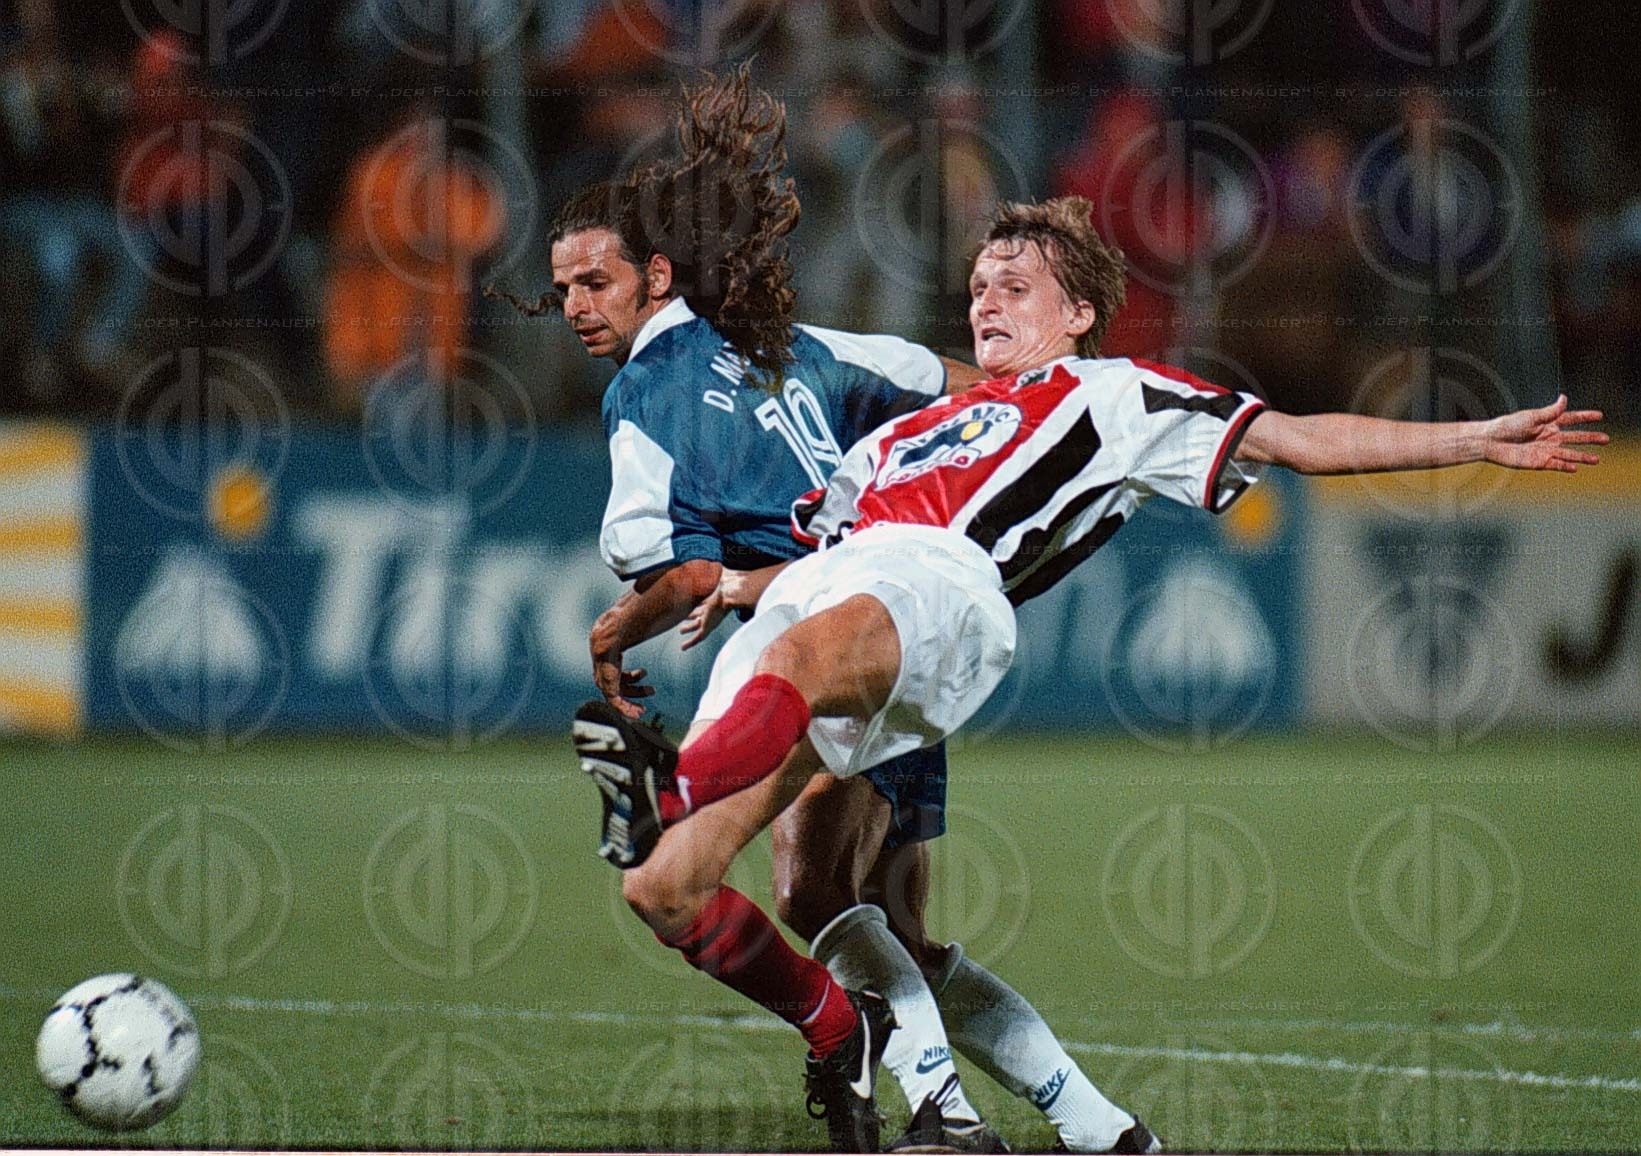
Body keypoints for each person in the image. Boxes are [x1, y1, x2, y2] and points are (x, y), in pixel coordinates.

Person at [574, 193, 1608, 1148]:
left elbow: (1298, 439)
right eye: (977, 285)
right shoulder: (901, 438)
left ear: (1076, 315)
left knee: (797, 706)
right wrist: (738, 584)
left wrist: (1476, 437)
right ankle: (1077, 1120)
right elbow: (825, 552)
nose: (985, 301)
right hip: (835, 593)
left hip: (941, 590)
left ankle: (671, 791)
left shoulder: (1118, 393)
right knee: (667, 885)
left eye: (1014, 286)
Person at [541, 68, 1154, 1155]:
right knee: (883, 919)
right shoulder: (805, 349)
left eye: (596, 282)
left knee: (804, 893)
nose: (578, 306)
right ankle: (1093, 1124)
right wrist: (1070, 423)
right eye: (564, 290)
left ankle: (943, 1111)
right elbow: (962, 387)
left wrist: (609, 633)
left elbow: (680, 574)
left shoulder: (645, 393)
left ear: (659, 278)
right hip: (909, 629)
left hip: (830, 648)